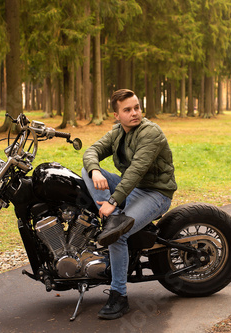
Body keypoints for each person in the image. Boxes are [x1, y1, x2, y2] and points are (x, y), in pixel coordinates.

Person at [82, 89, 177, 320]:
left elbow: (136, 171)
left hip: (155, 193)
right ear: (116, 115)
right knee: (86, 170)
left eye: (136, 108)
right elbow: (92, 151)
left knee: (117, 234)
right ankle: (106, 217)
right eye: (127, 110)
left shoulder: (150, 132)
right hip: (132, 188)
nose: (134, 113)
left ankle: (119, 296)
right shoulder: (117, 132)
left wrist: (113, 202)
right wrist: (95, 170)